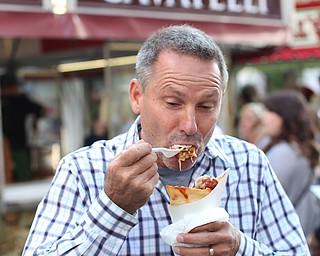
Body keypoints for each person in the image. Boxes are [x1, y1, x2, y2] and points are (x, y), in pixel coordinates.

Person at [23, 25, 309, 255]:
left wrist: (240, 248)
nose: (190, 125)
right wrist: (113, 207)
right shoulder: (83, 170)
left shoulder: (250, 164)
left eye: (207, 106)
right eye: (173, 103)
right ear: (137, 96)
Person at [261, 89, 320, 237]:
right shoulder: (299, 148)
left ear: (285, 115)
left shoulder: (284, 152)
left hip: (277, 233)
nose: (264, 117)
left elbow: (263, 196)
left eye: (270, 111)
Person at [1, 73, 46, 182]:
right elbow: (42, 110)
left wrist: (35, 120)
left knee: (23, 177)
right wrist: (36, 120)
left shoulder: (20, 101)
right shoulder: (20, 100)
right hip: (11, 145)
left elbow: (42, 110)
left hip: (17, 145)